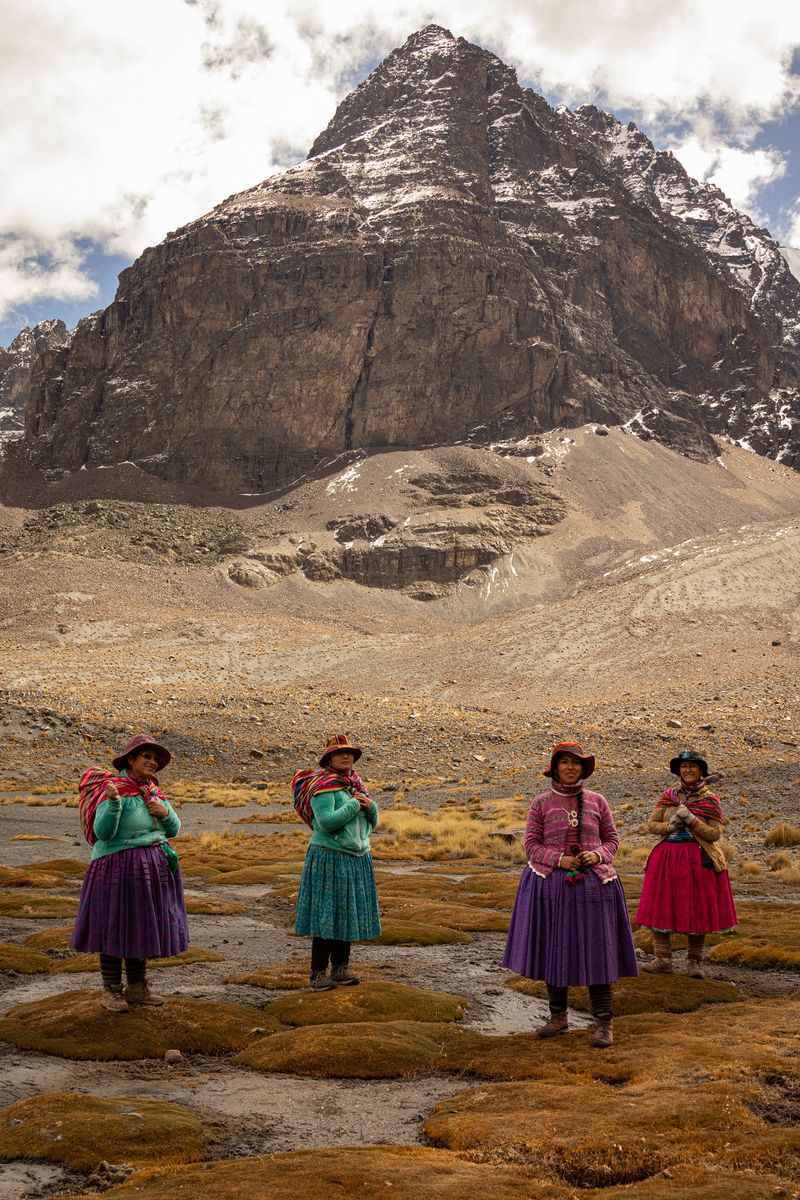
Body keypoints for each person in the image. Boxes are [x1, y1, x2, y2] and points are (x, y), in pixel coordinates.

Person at [503, 741, 637, 1048]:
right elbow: (531, 845)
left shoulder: (598, 801)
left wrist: (598, 855)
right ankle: (558, 1018)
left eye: (575, 762)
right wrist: (558, 859)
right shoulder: (540, 804)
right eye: (564, 762)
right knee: (556, 949)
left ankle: (604, 1023)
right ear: (555, 767)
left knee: (598, 952)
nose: (570, 767)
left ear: (583, 768)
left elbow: (613, 840)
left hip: (595, 886)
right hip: (552, 886)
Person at [72, 734, 189, 1012]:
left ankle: (138, 987)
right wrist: (113, 805)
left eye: (155, 758)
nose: (152, 761)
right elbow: (102, 833)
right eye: (146, 756)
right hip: (116, 867)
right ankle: (111, 990)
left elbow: (174, 829)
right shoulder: (114, 790)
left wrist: (165, 813)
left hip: (151, 869)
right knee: (113, 924)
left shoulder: (154, 792)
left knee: (141, 925)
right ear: (131, 760)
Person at [636, 750, 737, 977]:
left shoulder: (711, 800)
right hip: (666, 856)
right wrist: (670, 826)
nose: (688, 770)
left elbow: (714, 834)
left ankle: (694, 962)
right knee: (661, 905)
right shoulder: (669, 796)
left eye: (693, 766)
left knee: (697, 907)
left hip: (698, 858)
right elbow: (652, 825)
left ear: (702, 770)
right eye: (683, 766)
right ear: (678, 770)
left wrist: (692, 820)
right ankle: (662, 958)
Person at [294, 734, 380, 990]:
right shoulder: (323, 786)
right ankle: (318, 973)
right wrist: (355, 805)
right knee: (327, 913)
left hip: (356, 857)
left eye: (350, 753)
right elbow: (326, 822)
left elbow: (372, 823)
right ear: (329, 758)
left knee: (346, 913)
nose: (347, 756)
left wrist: (370, 806)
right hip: (329, 856)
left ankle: (341, 968)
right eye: (340, 753)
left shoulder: (355, 784)